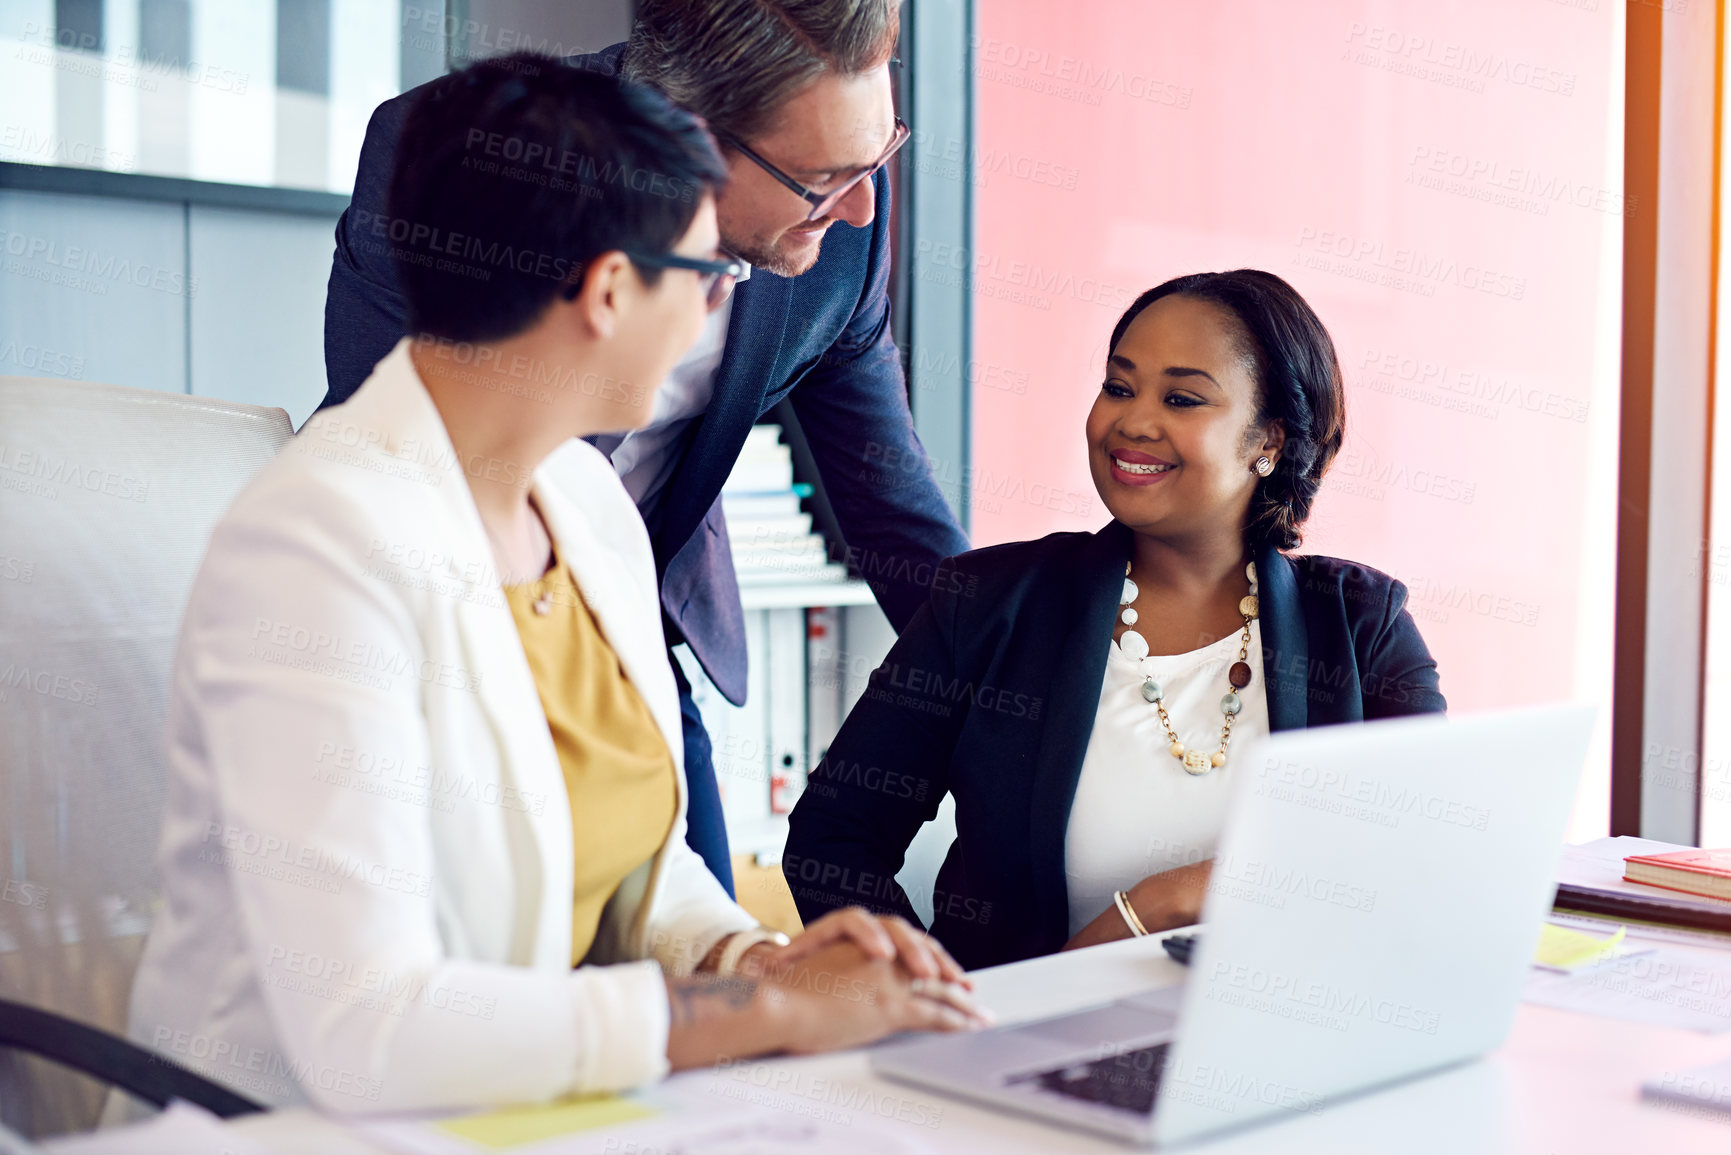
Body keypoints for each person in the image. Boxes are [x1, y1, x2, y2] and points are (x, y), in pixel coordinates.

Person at [128, 56, 985, 1116]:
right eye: (709, 271)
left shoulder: (584, 507)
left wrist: (749, 957)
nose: (725, 299)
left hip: (530, 1113)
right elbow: (365, 1033)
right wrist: (752, 1019)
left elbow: (637, 866)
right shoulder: (314, 552)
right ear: (610, 293)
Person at [321, 0, 969, 896]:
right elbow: (407, 461)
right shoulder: (458, 159)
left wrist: (1021, 693)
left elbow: (892, 506)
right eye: (822, 180)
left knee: (693, 907)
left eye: (878, 155)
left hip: (632, 624)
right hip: (433, 633)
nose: (859, 207)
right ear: (687, 144)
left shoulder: (843, 211)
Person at [784, 270, 1447, 971]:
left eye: (1182, 398)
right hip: (1025, 1058)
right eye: (1118, 386)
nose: (1131, 421)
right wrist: (922, 993)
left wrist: (1187, 897)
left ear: (1269, 441)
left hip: (1284, 1035)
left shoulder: (1362, 628)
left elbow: (1419, 867)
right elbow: (833, 838)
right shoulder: (988, 605)